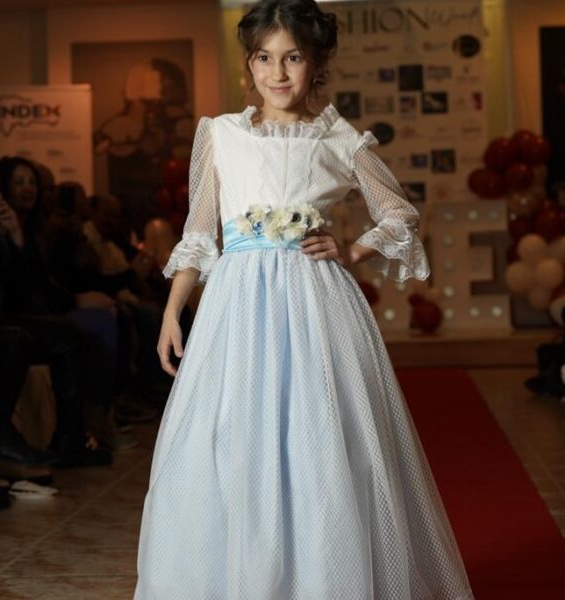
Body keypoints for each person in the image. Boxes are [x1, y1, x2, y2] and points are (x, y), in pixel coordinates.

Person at [133, 1, 474, 598]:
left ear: (316, 64)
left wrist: (353, 248)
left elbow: (398, 213)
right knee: (230, 438)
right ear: (249, 64)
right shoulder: (221, 134)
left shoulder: (337, 137)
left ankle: (319, 578)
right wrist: (171, 311)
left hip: (315, 305)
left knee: (320, 440)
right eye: (264, 58)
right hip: (237, 308)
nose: (278, 72)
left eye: (292, 57)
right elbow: (198, 233)